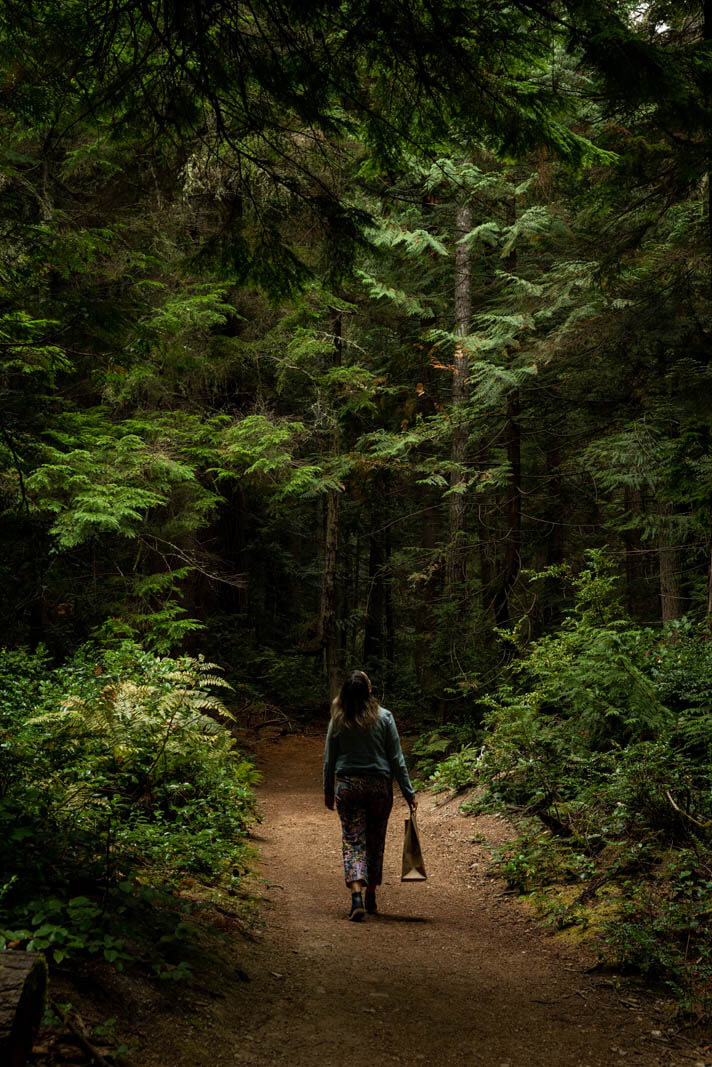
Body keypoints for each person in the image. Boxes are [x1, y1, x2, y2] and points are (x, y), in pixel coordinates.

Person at [323, 669, 417, 921]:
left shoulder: (338, 719)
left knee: (353, 840)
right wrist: (408, 792)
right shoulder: (385, 718)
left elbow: (329, 760)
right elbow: (396, 759)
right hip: (379, 788)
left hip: (348, 786)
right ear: (368, 691)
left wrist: (328, 792)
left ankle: (356, 896)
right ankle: (371, 895)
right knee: (376, 840)